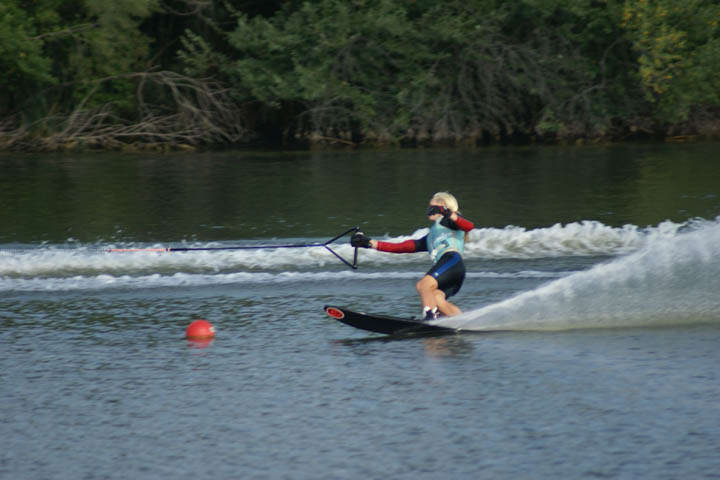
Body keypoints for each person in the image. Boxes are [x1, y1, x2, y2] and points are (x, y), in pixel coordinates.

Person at [351, 192, 474, 321]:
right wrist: (370, 243)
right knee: (437, 299)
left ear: (443, 205)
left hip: (452, 261)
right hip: (451, 272)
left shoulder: (450, 221)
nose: (429, 210)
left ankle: (430, 318)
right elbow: (401, 247)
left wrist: (446, 212)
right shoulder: (431, 237)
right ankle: (464, 322)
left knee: (423, 285)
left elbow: (469, 226)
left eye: (432, 207)